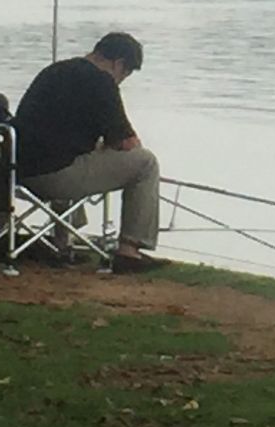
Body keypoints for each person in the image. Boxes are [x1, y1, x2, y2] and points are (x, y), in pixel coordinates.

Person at [12, 31, 164, 273]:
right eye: (125, 75)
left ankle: (63, 242)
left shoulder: (54, 71)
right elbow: (127, 142)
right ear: (119, 64)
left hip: (19, 171)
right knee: (146, 163)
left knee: (71, 155)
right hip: (54, 179)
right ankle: (129, 250)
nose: (121, 81)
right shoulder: (102, 82)